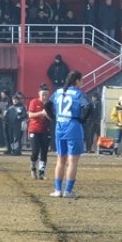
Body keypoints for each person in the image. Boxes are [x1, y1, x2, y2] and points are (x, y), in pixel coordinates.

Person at [49, 70, 89, 198]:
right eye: (81, 80)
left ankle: (57, 190)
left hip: (59, 126)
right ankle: (68, 191)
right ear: (76, 81)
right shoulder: (78, 93)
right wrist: (82, 119)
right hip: (73, 126)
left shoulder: (58, 91)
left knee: (60, 160)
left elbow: (46, 105)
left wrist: (54, 117)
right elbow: (89, 106)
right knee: (73, 160)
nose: (82, 83)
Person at [26, 85, 52, 180]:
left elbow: (52, 118)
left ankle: (41, 172)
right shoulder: (34, 102)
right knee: (35, 150)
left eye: (46, 95)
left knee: (44, 152)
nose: (44, 97)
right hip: (34, 129)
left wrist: (47, 114)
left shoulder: (50, 104)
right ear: (39, 94)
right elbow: (30, 115)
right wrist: (41, 113)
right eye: (43, 95)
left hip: (45, 130)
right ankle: (33, 168)